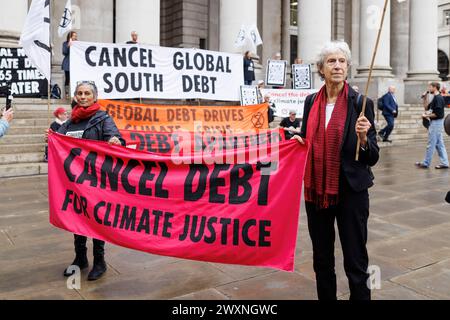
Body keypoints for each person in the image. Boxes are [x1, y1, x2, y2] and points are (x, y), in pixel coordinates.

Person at [292, 41, 379, 300]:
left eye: (342, 61)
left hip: (351, 191)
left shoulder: (361, 103)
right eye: (331, 61)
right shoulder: (310, 102)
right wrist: (300, 143)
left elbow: (373, 156)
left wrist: (364, 139)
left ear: (348, 67)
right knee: (322, 259)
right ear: (321, 69)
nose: (337, 66)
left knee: (355, 259)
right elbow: (310, 139)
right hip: (317, 191)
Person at [46, 81, 125, 281]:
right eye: (79, 93)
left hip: (96, 180)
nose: (82, 96)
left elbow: (117, 139)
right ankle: (80, 257)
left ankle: (99, 261)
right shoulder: (71, 120)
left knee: (96, 219)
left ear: (94, 97)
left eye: (87, 93)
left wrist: (115, 141)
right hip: (74, 181)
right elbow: (60, 140)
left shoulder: (103, 118)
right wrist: (52, 137)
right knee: (77, 217)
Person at [415, 82, 449, 169]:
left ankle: (426, 163)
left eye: (430, 87)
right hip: (436, 123)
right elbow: (427, 108)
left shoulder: (439, 98)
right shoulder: (435, 98)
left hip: (436, 123)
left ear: (435, 87)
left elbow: (438, 114)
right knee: (439, 144)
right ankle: (445, 162)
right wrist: (425, 97)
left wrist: (425, 116)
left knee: (431, 143)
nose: (429, 88)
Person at [62, 31, 78, 99]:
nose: (75, 37)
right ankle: (67, 94)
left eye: (76, 36)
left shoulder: (78, 44)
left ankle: (75, 94)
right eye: (74, 36)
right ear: (70, 36)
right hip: (67, 64)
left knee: (75, 79)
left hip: (75, 64)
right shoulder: (65, 43)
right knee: (67, 79)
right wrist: (68, 46)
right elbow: (64, 52)